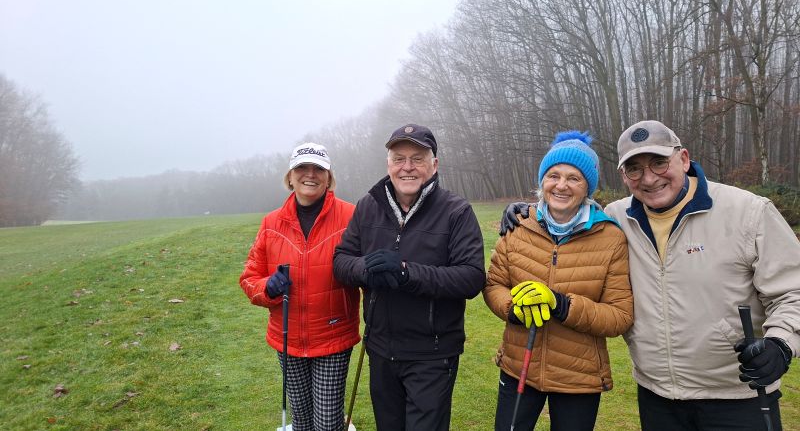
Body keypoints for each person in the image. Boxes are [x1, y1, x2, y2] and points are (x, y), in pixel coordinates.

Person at [502, 120, 799, 430]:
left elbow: (793, 289)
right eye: (635, 169)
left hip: (737, 395)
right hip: (657, 396)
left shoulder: (748, 212)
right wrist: (527, 211)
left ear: (683, 159)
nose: (649, 178)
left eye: (659, 162)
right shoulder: (616, 218)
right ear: (624, 176)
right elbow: (569, 207)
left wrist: (780, 343)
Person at [333, 124, 485, 431]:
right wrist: (367, 269)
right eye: (399, 158)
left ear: (434, 164)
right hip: (380, 347)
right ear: (388, 164)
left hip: (432, 353)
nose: (407, 167)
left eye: (417, 159)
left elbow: (471, 277)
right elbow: (341, 261)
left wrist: (406, 273)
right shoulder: (368, 206)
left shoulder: (456, 211)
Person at [484, 131, 634, 431]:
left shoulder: (610, 237)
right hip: (519, 366)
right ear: (542, 181)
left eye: (574, 178)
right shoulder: (517, 226)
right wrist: (513, 309)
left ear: (587, 186)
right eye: (553, 175)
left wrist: (562, 305)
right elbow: (493, 285)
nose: (561, 185)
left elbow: (620, 316)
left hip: (578, 377)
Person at [239, 142, 359, 431]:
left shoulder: (351, 216)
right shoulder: (271, 223)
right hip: (287, 339)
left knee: (327, 423)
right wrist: (268, 288)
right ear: (290, 177)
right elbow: (249, 278)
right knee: (302, 422)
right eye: (302, 168)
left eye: (318, 169)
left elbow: (365, 269)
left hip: (333, 335)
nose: (310, 174)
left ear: (329, 178)